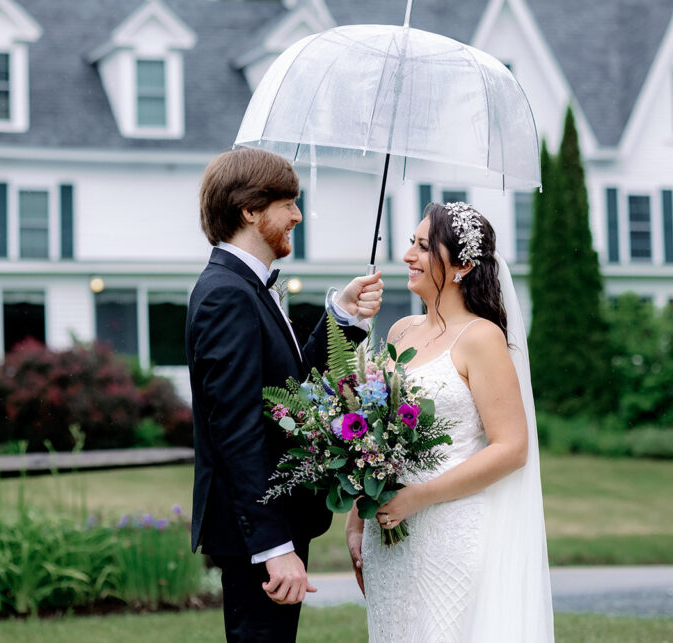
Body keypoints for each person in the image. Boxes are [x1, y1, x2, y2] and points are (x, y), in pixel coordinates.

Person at [186, 147, 384, 643]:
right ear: (251, 210)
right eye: (288, 203)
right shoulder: (226, 295)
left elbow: (289, 392)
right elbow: (236, 429)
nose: (298, 215)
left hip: (271, 522)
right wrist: (273, 546)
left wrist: (342, 318)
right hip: (258, 529)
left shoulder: (244, 288)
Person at [346, 201, 554, 641]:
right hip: (387, 529)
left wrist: (418, 497)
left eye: (423, 247)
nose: (408, 256)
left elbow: (512, 448)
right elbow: (376, 437)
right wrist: (356, 518)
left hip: (448, 531)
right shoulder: (400, 330)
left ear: (461, 265)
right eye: (411, 243)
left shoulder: (481, 338)